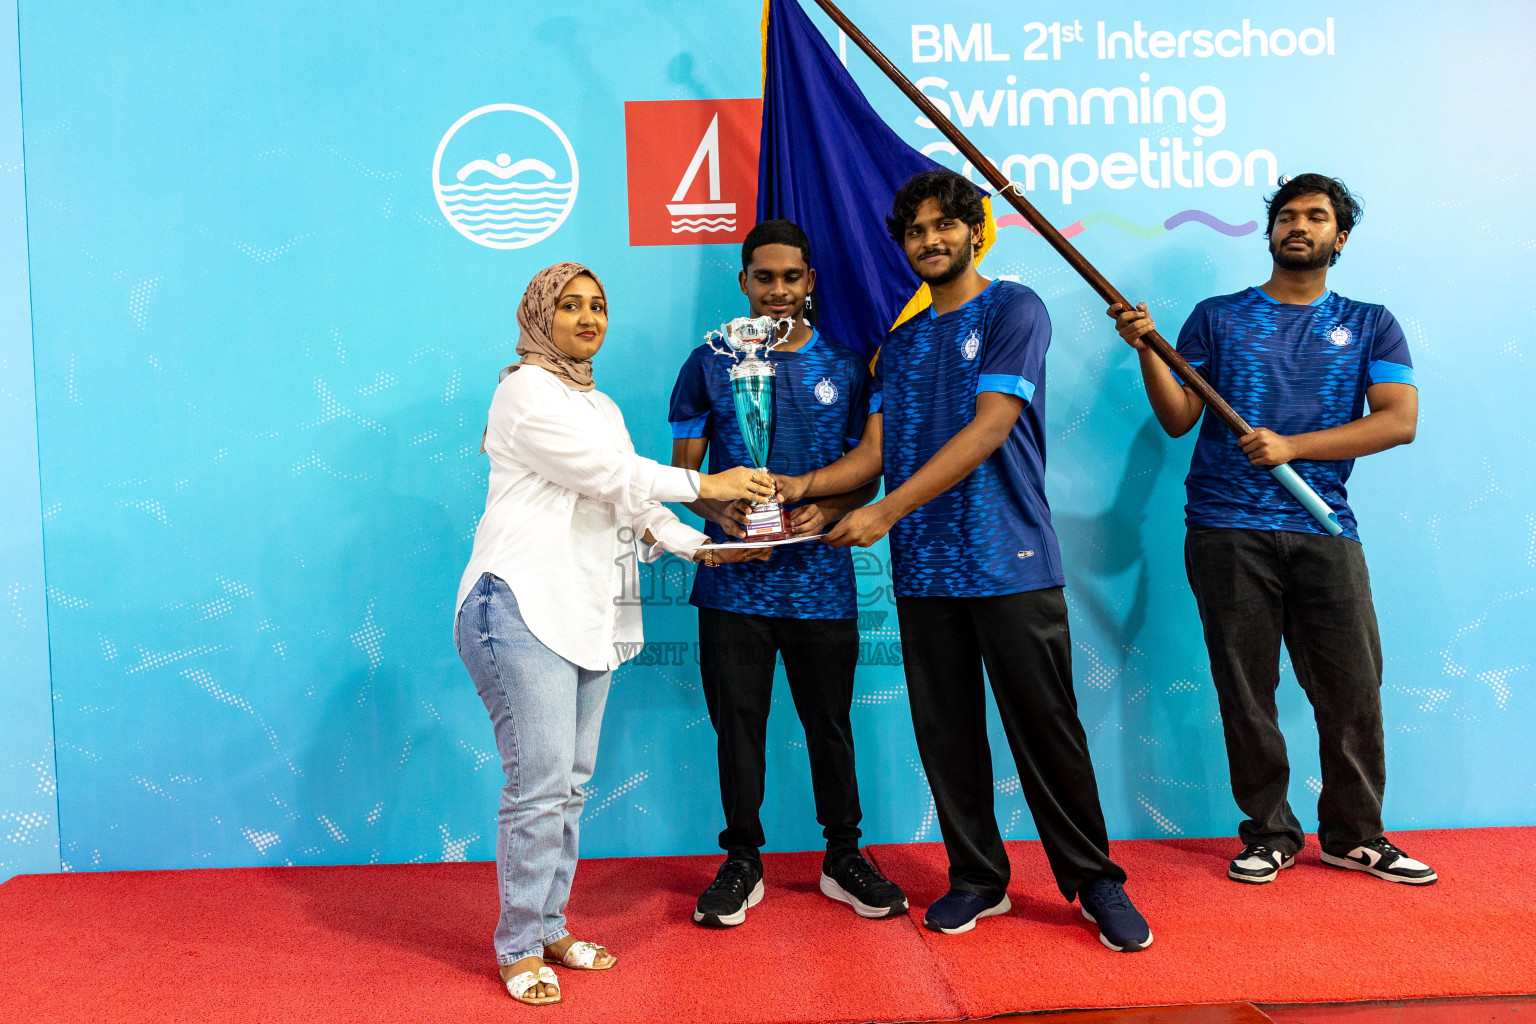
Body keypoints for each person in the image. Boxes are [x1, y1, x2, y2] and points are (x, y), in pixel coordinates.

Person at [775, 171, 1152, 952]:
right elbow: (876, 454)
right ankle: (979, 878)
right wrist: (808, 493)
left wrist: (884, 511)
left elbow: (989, 428)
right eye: (915, 231)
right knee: (947, 735)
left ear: (975, 230)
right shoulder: (901, 344)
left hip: (1011, 559)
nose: (930, 240)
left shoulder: (1014, 308)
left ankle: (1094, 881)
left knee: (1046, 730)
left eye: (945, 225)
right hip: (925, 569)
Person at [455, 262, 772, 1006]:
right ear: (540, 316)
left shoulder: (600, 404)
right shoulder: (523, 391)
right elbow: (606, 473)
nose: (588, 317)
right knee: (538, 788)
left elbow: (633, 502)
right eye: (570, 305)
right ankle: (517, 945)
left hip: (586, 610)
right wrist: (708, 485)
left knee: (568, 786)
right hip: (520, 604)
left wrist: (706, 545)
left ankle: (550, 926)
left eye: (597, 305)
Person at [1107, 173, 1434, 887]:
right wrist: (1146, 350)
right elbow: (1178, 418)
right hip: (1225, 527)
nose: (1299, 225)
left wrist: (1293, 446)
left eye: (1316, 216)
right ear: (1271, 231)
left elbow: (1398, 420)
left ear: (1339, 237)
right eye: (1287, 215)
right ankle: (1270, 833)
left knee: (1352, 690)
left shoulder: (1371, 323)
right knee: (1246, 690)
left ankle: (1354, 835)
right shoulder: (1218, 317)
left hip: (1324, 525)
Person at [668, 219, 908, 926]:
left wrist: (822, 506)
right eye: (764, 277)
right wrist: (717, 508)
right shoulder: (708, 362)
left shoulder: (848, 366)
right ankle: (742, 860)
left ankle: (843, 856)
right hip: (733, 585)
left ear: (810, 283)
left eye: (791, 277)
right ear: (743, 281)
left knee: (829, 724)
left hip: (820, 585)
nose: (778, 290)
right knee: (738, 727)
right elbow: (683, 475)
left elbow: (869, 472)